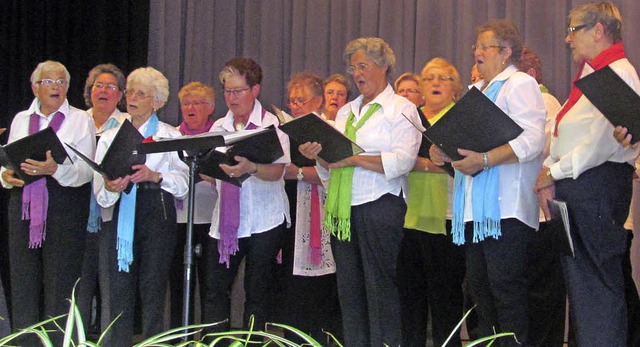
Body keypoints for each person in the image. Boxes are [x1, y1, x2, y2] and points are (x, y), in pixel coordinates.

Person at [299, 37, 422, 346]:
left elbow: (403, 161)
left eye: (363, 66)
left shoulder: (401, 108)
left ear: (384, 66)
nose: (357, 73)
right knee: (349, 289)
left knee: (378, 286)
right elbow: (331, 167)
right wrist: (318, 154)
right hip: (343, 208)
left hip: (380, 205)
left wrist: (354, 158)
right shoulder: (346, 112)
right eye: (353, 68)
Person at [431, 19, 546, 345]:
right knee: (481, 290)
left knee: (505, 290)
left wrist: (484, 160)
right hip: (474, 210)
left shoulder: (520, 83)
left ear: (506, 51)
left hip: (505, 207)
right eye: (476, 46)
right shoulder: (478, 91)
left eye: (484, 46)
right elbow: (467, 143)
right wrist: (445, 151)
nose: (476, 52)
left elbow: (533, 140)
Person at [534, 2, 640, 345]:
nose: (568, 39)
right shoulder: (595, 74)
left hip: (595, 184)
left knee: (596, 288)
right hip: (582, 186)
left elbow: (599, 144)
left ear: (598, 30)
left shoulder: (617, 73)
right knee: (584, 289)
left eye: (573, 30)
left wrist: (554, 171)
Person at [1, 60, 96, 346]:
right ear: (35, 87)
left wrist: (55, 170)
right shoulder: (20, 119)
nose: (56, 87)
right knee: (23, 279)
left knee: (60, 281)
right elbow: (6, 161)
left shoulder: (81, 119)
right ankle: (26, 342)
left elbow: (87, 171)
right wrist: (6, 177)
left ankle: (58, 342)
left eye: (62, 82)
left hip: (64, 203)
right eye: (49, 82)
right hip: (23, 203)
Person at [94, 67, 189, 345]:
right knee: (118, 291)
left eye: (142, 94)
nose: (132, 98)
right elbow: (100, 192)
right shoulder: (112, 135)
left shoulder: (169, 135)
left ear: (157, 101)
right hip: (121, 213)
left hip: (157, 214)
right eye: (131, 92)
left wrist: (155, 175)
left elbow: (184, 182)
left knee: (153, 290)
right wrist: (111, 188)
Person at [202, 57, 290, 334]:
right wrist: (208, 171)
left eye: (238, 91)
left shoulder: (271, 125)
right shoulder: (218, 127)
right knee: (215, 290)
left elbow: (277, 171)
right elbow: (209, 176)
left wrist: (251, 167)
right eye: (227, 91)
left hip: (265, 219)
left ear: (255, 90)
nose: (231, 97)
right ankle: (217, 341)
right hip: (225, 224)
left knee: (257, 292)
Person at [397, 58, 466, 347]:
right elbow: (397, 162)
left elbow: (464, 164)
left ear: (455, 88)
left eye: (443, 78)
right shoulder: (409, 119)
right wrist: (425, 163)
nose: (436, 83)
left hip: (449, 219)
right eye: (429, 78)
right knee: (410, 299)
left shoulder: (462, 119)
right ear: (421, 86)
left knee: (446, 299)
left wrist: (417, 163)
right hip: (409, 218)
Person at [275, 71, 341, 343]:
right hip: (294, 215)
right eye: (292, 101)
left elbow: (334, 172)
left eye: (301, 100)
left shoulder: (331, 129)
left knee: (325, 285)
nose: (295, 105)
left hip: (327, 214)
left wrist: (299, 173)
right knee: (295, 284)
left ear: (317, 101)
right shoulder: (284, 133)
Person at [515, 47, 566, 346]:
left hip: (541, 211)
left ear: (531, 76)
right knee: (533, 288)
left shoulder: (546, 101)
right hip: (527, 211)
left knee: (543, 289)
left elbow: (540, 149)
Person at [77, 63, 128, 335]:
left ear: (121, 95)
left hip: (112, 215)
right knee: (78, 284)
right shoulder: (77, 121)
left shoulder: (127, 125)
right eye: (98, 85)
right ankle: (76, 338)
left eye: (111, 87)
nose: (103, 91)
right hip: (75, 214)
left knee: (111, 285)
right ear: (89, 91)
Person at [169, 81, 218, 328]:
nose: (190, 108)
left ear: (209, 107)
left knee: (211, 285)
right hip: (178, 219)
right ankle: (179, 338)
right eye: (186, 103)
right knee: (179, 284)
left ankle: (210, 337)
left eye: (197, 103)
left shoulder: (219, 136)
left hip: (210, 219)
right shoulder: (172, 136)